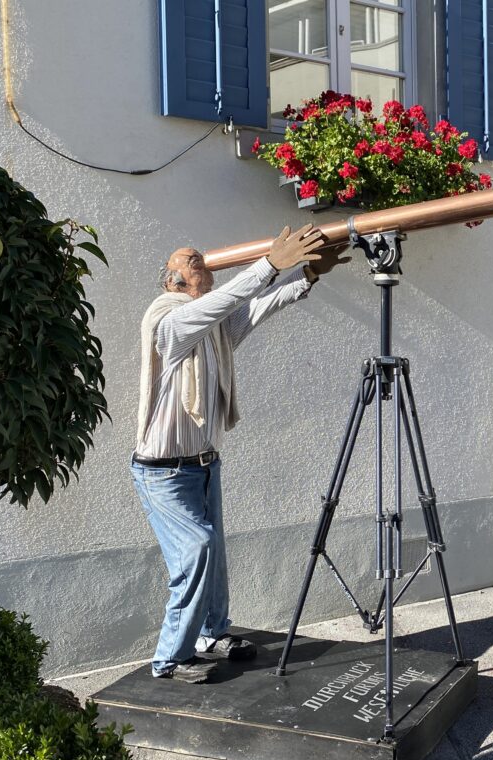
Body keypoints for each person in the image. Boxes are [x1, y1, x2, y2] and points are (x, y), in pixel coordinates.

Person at [131, 225, 348, 683]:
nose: (203, 262)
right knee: (197, 551)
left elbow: (256, 307)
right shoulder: (170, 322)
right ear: (172, 279)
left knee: (216, 556)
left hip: (204, 466)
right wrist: (270, 262)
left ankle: (211, 633)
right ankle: (170, 658)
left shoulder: (211, 331)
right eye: (192, 260)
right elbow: (225, 301)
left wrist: (307, 275)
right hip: (162, 473)